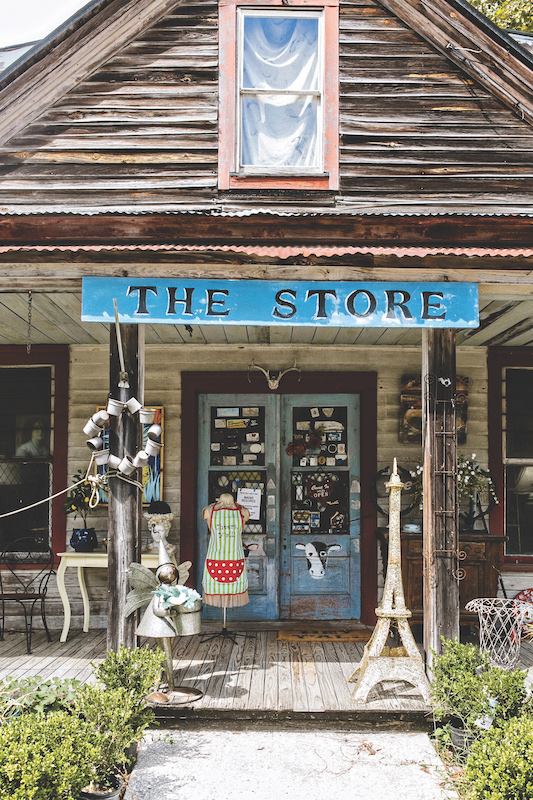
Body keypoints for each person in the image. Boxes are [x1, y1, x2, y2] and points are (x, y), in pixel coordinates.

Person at [202, 492, 250, 608]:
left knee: (233, 585)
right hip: (223, 558)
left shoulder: (243, 511)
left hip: (229, 558)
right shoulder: (209, 510)